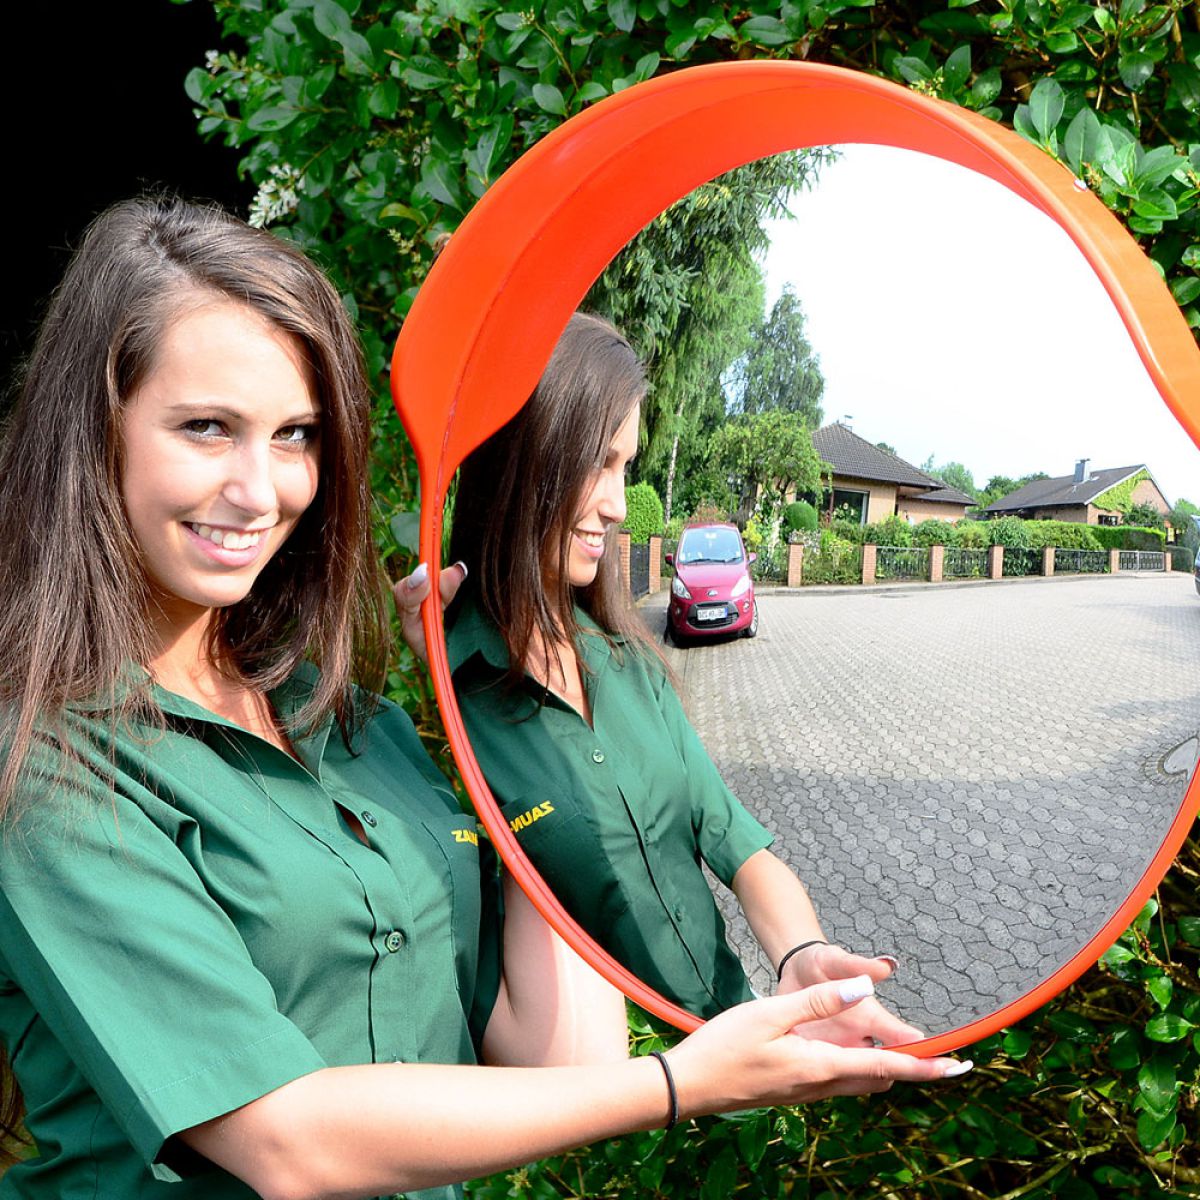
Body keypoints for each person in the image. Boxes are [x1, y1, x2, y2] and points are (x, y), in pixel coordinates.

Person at [0, 199, 968, 1200]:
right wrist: (684, 1082)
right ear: (93, 434)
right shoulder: (46, 767)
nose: (261, 490)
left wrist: (466, 739)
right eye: (206, 428)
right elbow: (284, 1141)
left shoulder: (358, 726)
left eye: (295, 436)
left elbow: (561, 1060)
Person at [434, 312, 919, 1038]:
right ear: (522, 456)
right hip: (608, 1103)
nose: (618, 506)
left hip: (738, 1040)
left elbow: (733, 840)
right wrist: (429, 678)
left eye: (625, 467)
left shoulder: (630, 665)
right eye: (598, 462)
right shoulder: (440, 703)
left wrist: (800, 954)